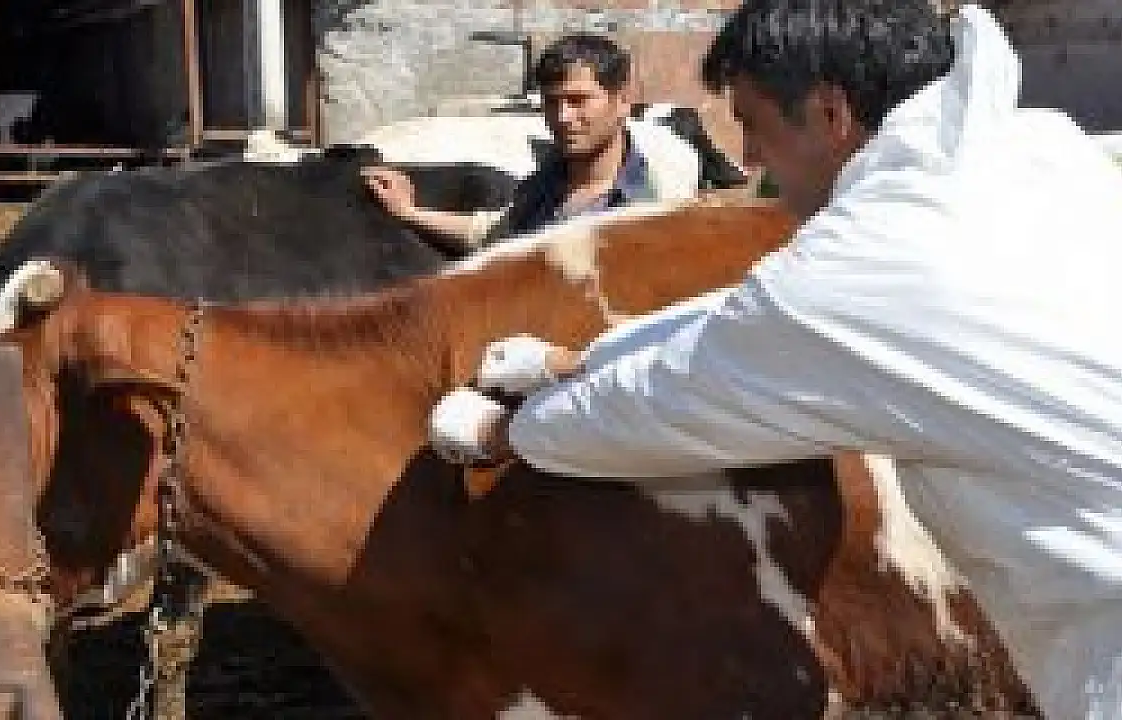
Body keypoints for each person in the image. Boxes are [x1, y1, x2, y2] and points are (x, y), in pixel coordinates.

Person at [426, 2, 1122, 719]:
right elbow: (754, 320)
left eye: (753, 126)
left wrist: (509, 432)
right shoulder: (1034, 150)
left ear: (830, 113)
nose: (751, 159)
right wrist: (579, 361)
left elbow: (673, 400)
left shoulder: (862, 268)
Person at [362, 33, 706, 253]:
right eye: (552, 102)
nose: (563, 117)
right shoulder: (540, 188)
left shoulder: (658, 202)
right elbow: (495, 233)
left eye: (578, 100)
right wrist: (409, 212)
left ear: (623, 101)